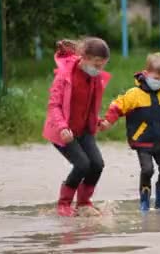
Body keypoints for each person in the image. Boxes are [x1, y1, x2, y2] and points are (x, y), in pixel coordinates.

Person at [100, 53, 160, 211]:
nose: (159, 81)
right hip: (142, 141)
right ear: (146, 74)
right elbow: (118, 106)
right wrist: (107, 121)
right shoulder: (134, 94)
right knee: (147, 169)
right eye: (156, 77)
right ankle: (144, 200)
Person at [42, 37, 111, 217]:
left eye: (102, 65)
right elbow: (54, 105)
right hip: (63, 131)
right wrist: (62, 127)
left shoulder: (95, 78)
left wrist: (97, 121)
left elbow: (88, 105)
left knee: (97, 164)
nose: (99, 69)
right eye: (96, 64)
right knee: (82, 164)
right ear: (84, 57)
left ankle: (83, 202)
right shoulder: (65, 75)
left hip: (84, 131)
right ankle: (64, 203)